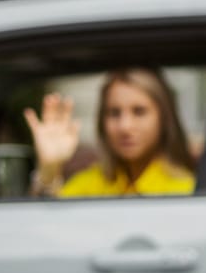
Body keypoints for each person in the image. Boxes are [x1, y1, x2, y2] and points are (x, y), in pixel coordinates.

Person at [24, 67, 197, 198]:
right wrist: (49, 169)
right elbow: (44, 225)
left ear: (164, 118)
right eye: (114, 113)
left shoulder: (187, 189)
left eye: (139, 111)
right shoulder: (89, 183)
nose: (125, 126)